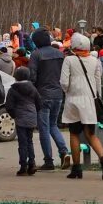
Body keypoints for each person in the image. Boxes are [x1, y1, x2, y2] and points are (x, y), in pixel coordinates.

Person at [59, 33, 103, 179]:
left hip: (73, 101)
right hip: (89, 101)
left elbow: (63, 82)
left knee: (74, 134)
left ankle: (76, 168)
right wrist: (98, 97)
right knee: (91, 134)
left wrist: (68, 90)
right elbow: (98, 82)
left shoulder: (69, 60)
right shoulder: (95, 61)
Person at [27, 29, 71, 171]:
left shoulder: (36, 54)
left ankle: (49, 161)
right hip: (58, 94)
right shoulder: (59, 53)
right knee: (53, 125)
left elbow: (32, 76)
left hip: (42, 95)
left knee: (44, 128)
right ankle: (64, 152)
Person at [4, 66, 41, 175]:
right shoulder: (33, 88)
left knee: (22, 142)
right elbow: (39, 103)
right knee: (30, 141)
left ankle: (23, 166)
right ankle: (32, 163)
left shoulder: (13, 89)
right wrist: (34, 112)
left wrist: (14, 115)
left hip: (20, 117)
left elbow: (9, 106)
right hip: (31, 116)